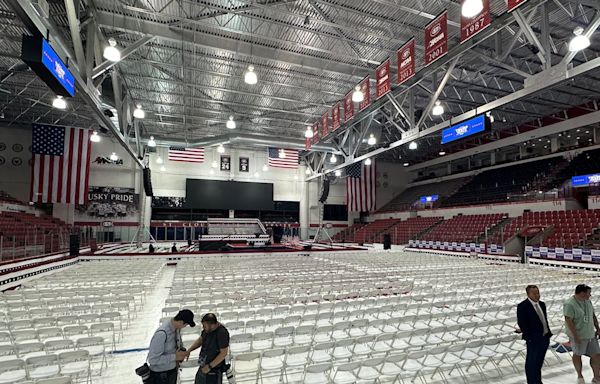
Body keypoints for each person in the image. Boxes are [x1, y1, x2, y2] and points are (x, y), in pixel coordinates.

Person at [147, 309, 195, 384]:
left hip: (172, 372)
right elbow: (153, 360)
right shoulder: (161, 334)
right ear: (181, 322)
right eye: (185, 325)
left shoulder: (176, 329)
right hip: (160, 376)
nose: (184, 327)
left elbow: (176, 346)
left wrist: (182, 351)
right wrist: (175, 357)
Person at [564, 284, 600, 384]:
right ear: (582, 293)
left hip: (590, 334)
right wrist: (575, 336)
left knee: (596, 355)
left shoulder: (587, 301)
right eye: (589, 293)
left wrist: (597, 328)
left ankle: (596, 376)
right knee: (577, 355)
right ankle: (580, 376)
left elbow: (592, 315)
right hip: (578, 335)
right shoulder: (570, 304)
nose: (590, 295)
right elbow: (568, 321)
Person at [517, 285, 552, 384]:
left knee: (539, 363)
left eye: (538, 293)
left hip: (545, 337)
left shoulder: (542, 304)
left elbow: (544, 320)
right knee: (531, 363)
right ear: (528, 294)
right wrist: (530, 338)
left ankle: (538, 381)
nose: (537, 295)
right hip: (533, 339)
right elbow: (522, 323)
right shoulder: (523, 306)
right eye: (534, 293)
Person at [187, 313, 231, 384]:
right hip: (203, 365)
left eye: (204, 326)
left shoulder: (222, 333)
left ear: (212, 325)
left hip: (214, 370)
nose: (203, 328)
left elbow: (223, 353)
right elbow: (201, 340)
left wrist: (209, 366)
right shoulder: (207, 330)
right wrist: (189, 350)